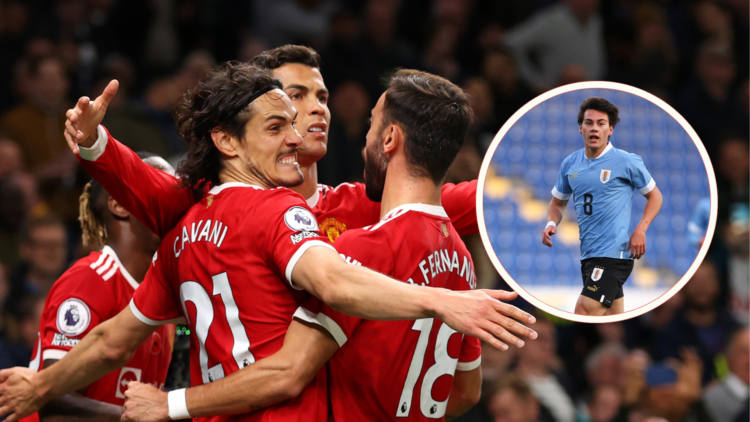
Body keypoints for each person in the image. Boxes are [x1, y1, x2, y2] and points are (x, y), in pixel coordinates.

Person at [0, 63, 535, 422]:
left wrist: (40, 387)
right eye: (280, 122)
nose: (299, 134)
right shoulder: (281, 212)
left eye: (312, 105)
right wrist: (440, 299)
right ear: (228, 140)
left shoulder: (184, 234)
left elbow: (113, 341)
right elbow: (329, 286)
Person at [66, 45, 478, 244]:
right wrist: (93, 140)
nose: (317, 109)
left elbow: (476, 200)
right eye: (296, 96)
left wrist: (540, 183)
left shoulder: (367, 208)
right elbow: (150, 188)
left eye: (322, 97)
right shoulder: (211, 205)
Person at [18, 153, 176, 422]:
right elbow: (53, 402)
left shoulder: (163, 293)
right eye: (159, 187)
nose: (174, 203)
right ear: (119, 205)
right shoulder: (90, 279)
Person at [541, 97, 663, 316]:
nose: (594, 128)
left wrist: (641, 228)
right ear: (580, 128)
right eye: (589, 123)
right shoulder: (570, 163)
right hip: (589, 255)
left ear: (610, 129)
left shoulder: (627, 161)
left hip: (614, 255)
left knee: (584, 311)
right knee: (612, 318)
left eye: (601, 123)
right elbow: (557, 203)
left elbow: (655, 196)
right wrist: (551, 222)